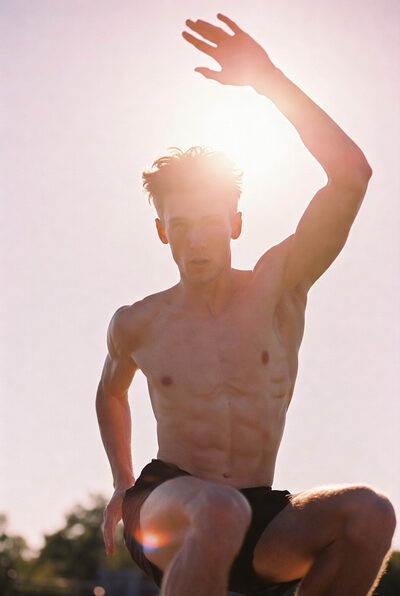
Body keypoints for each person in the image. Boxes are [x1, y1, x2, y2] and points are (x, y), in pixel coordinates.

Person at [96, 13, 396, 596]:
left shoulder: (278, 287)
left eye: (210, 221)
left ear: (235, 222)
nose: (196, 239)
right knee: (218, 510)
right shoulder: (138, 322)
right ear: (161, 231)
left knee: (369, 514)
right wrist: (121, 480)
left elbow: (351, 175)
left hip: (259, 511)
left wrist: (268, 79)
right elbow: (111, 391)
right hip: (166, 502)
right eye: (180, 225)